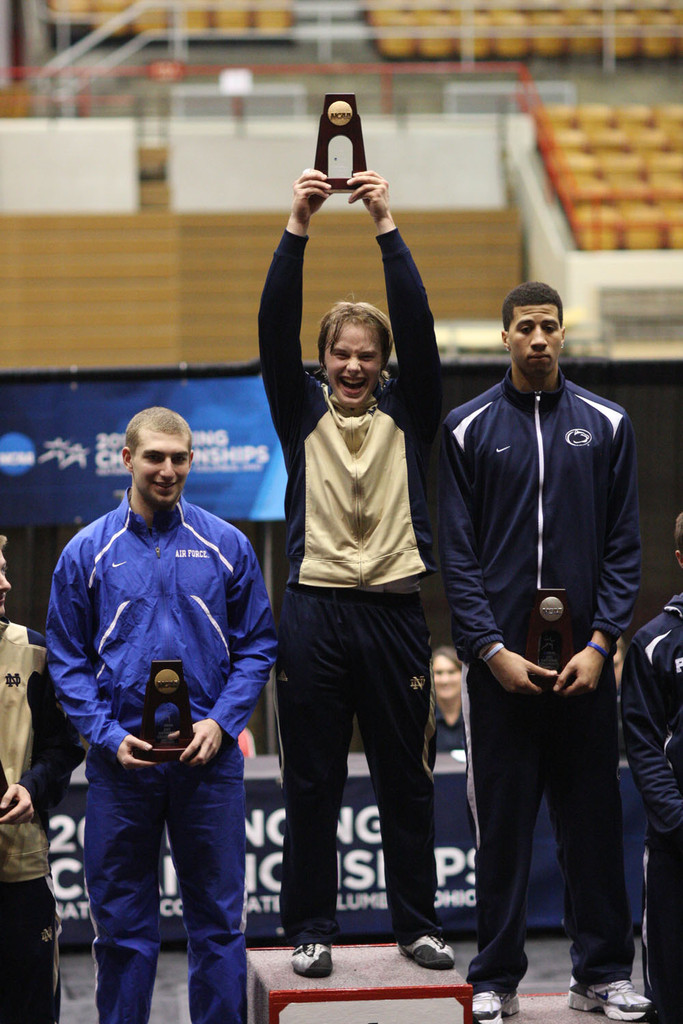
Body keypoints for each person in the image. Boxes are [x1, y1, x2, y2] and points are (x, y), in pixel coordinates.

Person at [438, 281, 652, 1023]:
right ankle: (493, 978)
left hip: (584, 676)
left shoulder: (609, 423)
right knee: (499, 832)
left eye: (548, 327)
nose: (537, 338)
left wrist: (601, 643)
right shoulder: (464, 428)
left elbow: (624, 548)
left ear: (563, 335)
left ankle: (598, 975)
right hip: (500, 676)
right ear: (502, 337)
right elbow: (456, 559)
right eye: (524, 327)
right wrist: (488, 650)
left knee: (592, 826)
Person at [258, 168, 453, 978]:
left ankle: (416, 925)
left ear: (382, 362)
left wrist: (383, 224)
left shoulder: (412, 410)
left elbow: (419, 323)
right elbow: (272, 326)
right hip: (313, 612)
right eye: (339, 352)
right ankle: (310, 927)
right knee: (311, 782)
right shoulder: (297, 406)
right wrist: (298, 222)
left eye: (365, 354)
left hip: (394, 613)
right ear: (322, 358)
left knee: (406, 782)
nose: (351, 365)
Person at [46, 407, 277, 1024]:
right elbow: (66, 660)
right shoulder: (85, 552)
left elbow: (258, 645)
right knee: (121, 932)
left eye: (179, 458)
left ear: (191, 461)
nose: (167, 470)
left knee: (220, 927)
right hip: (122, 768)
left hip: (209, 763)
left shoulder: (227, 545)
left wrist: (222, 722)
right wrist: (106, 733)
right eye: (155, 457)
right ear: (127, 460)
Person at [0, 534, 84, 1024]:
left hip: (23, 872)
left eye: (5, 568)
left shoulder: (32, 652)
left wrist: (32, 786)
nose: (7, 583)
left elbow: (64, 747)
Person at [621, 511, 683, 1024]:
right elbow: (644, 748)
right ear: (681, 560)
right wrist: (680, 824)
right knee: (670, 997)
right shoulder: (654, 643)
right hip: (675, 850)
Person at [432, 645, 465, 753]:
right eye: (439, 673)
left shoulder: (476, 714)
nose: (445, 680)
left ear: (462, 675)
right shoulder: (422, 717)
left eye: (451, 672)